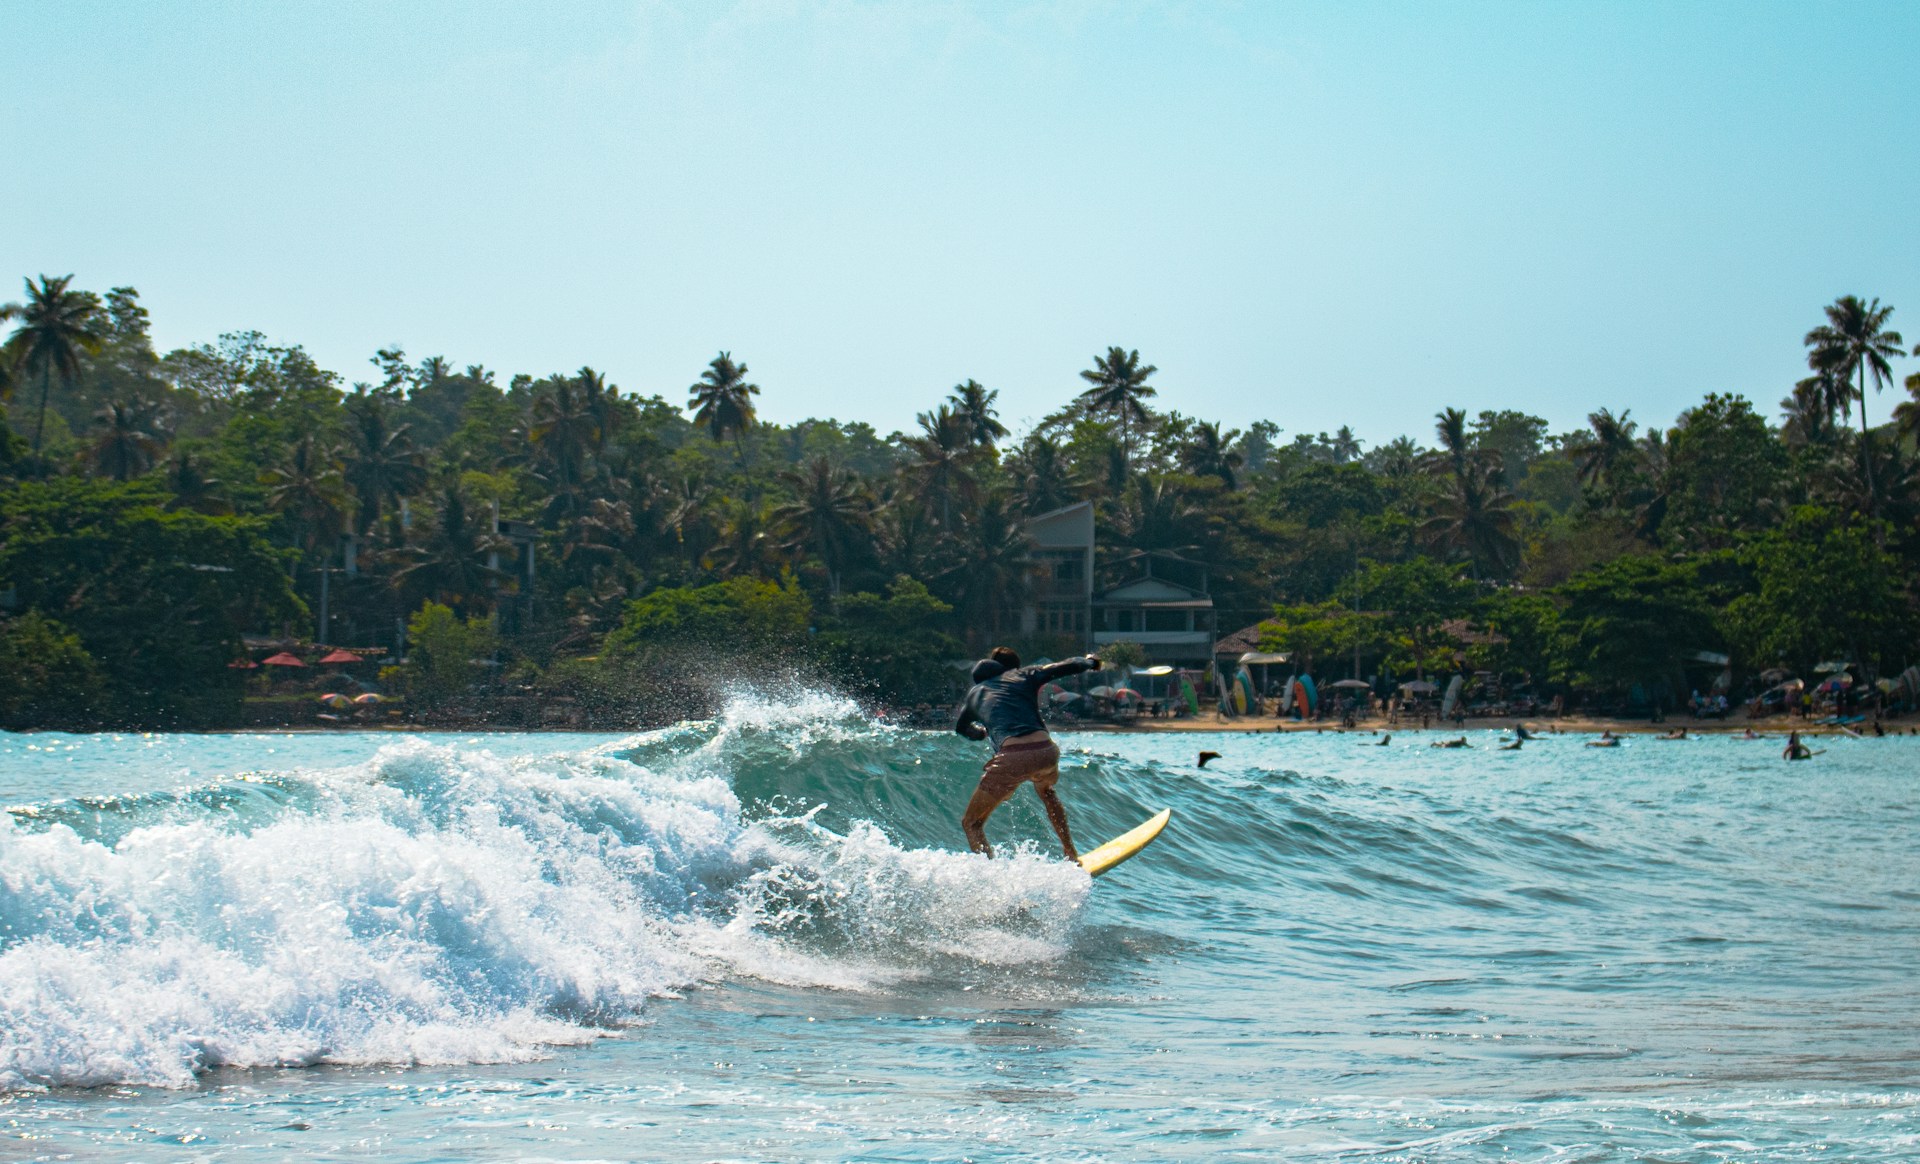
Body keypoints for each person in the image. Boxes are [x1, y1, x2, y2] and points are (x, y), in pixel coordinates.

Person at [954, 646, 1101, 860]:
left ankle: (992, 877)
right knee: (1047, 793)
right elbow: (1065, 667)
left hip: (1013, 757)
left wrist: (980, 734)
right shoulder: (1022, 675)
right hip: (1046, 751)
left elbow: (961, 728)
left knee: (971, 823)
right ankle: (1071, 854)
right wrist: (1090, 662)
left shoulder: (974, 695)